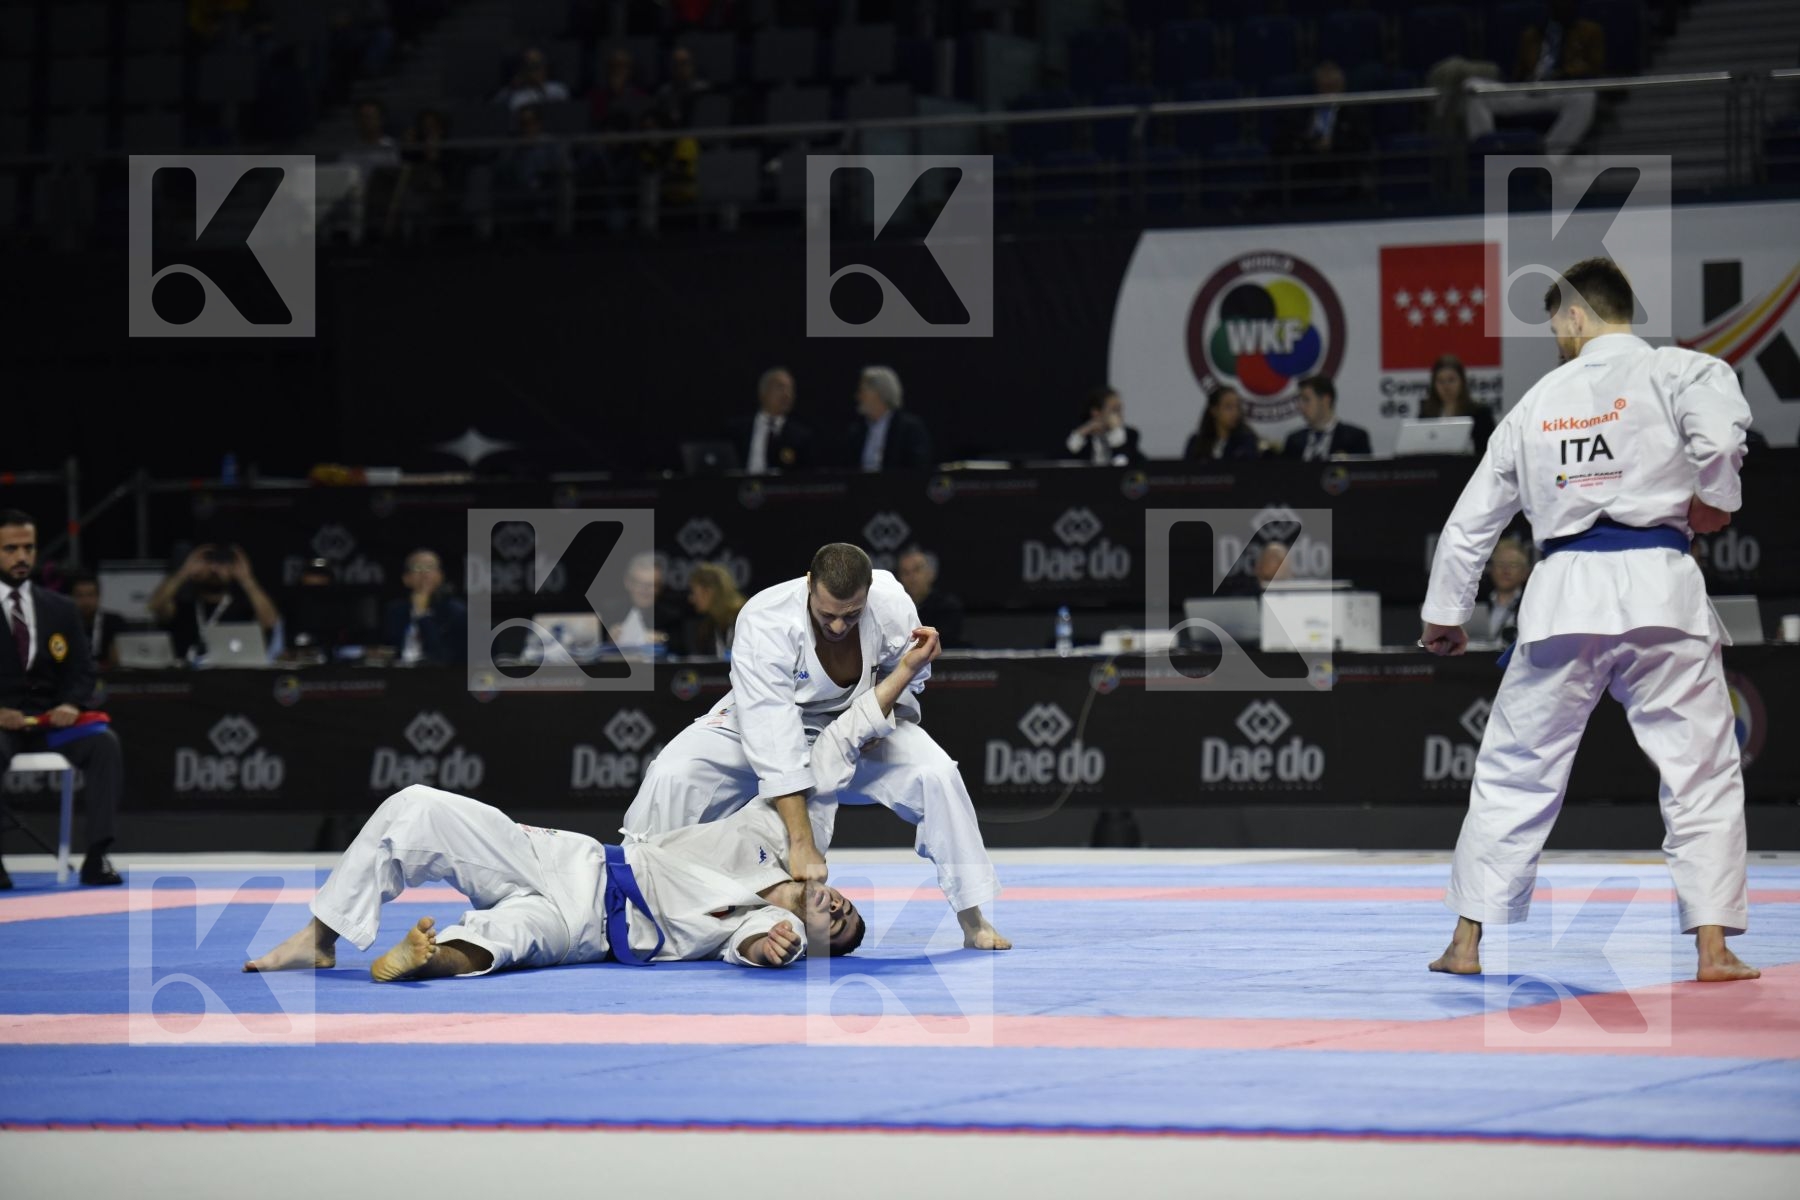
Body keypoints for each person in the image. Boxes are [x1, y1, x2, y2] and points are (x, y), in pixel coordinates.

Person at [240, 627, 950, 980]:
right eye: (847, 909)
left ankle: (423, 960)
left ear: (811, 937)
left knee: (505, 943)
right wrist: (904, 673)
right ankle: (319, 938)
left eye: (834, 927)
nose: (836, 909)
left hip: (585, 930)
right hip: (572, 860)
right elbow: (840, 744)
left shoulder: (766, 922)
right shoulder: (786, 836)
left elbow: (754, 947)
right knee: (417, 805)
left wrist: (775, 951)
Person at [1419, 256, 1759, 984]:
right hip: (1660, 590)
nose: (1558, 340)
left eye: (1556, 327)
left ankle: (1466, 944)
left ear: (1576, 314)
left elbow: (1472, 521)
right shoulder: (1681, 371)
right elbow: (1723, 440)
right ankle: (1713, 947)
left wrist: (1445, 613)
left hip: (1564, 597)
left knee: (1514, 771)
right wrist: (1716, 499)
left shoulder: (1537, 403)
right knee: (1700, 770)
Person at [623, 543, 1009, 950]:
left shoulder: (892, 603)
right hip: (762, 719)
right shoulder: (765, 618)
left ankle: (973, 919)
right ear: (809, 585)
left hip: (857, 722)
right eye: (828, 615)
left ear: (869, 592)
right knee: (674, 773)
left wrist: (888, 713)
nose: (839, 626)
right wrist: (802, 843)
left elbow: (910, 677)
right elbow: (773, 736)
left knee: (937, 774)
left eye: (851, 615)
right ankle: (629, 894)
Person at [0, 511, 124, 889]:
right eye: (10, 549)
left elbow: (83, 671)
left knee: (104, 744)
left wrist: (70, 704)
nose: (22, 556)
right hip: (2, 726)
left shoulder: (60, 608)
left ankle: (97, 856)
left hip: (50, 723)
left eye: (28, 548)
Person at [1465, 0, 1605, 156]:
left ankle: (1548, 158)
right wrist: (1527, 80)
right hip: (1529, 89)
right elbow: (1519, 73)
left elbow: (1594, 67)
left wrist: (1563, 73)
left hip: (1561, 89)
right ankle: (1487, 155)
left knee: (1586, 96)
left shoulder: (1590, 31)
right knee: (1472, 87)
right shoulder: (1532, 34)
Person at [146, 543, 282, 662]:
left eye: (222, 563)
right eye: (207, 561)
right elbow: (155, 606)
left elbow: (270, 621)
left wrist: (247, 579)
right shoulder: (184, 607)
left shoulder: (243, 608)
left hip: (231, 676)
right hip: (186, 678)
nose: (214, 568)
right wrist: (184, 572)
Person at [380, 549, 468, 665]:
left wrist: (422, 614)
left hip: (437, 674)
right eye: (417, 568)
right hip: (398, 672)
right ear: (406, 579)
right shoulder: (395, 610)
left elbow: (443, 656)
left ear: (440, 576)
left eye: (430, 568)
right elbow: (390, 649)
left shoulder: (455, 611)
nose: (424, 575)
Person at [729, 367, 815, 474]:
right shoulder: (736, 429)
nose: (787, 395)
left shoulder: (800, 437)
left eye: (790, 389)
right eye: (780, 387)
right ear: (763, 391)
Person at [845, 367, 933, 471]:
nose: (858, 396)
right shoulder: (856, 432)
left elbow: (918, 470)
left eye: (862, 391)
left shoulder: (909, 429)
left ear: (880, 393)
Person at [610, 553, 689, 655]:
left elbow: (682, 651)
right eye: (639, 583)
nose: (645, 590)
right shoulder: (610, 612)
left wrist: (662, 639)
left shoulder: (672, 617)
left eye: (652, 585)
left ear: (659, 588)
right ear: (628, 583)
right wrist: (609, 639)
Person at [1280, 376, 1373, 461]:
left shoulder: (1354, 439)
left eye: (1306, 400)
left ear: (1325, 400)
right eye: (1299, 401)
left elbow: (1362, 472)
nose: (1300, 407)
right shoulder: (1294, 441)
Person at [1421, 353, 1497, 455]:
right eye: (1440, 381)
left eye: (1451, 380)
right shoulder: (1426, 416)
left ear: (1462, 382)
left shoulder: (1481, 414)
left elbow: (1490, 453)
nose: (1446, 386)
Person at [896, 544, 965, 649]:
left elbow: (945, 641)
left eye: (917, 570)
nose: (911, 577)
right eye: (905, 572)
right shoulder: (894, 607)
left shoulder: (948, 606)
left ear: (931, 573)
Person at [1065, 386, 1146, 466]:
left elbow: (1122, 464)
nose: (1120, 415)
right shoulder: (1084, 437)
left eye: (1120, 409)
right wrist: (1081, 434)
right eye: (1115, 410)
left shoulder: (1130, 435)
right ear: (1096, 413)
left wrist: (1116, 433)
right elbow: (1066, 463)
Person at [63, 568, 123, 670]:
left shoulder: (115, 623)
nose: (86, 601)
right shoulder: (63, 624)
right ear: (70, 598)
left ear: (98, 597)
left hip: (108, 676)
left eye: (91, 595)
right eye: (79, 596)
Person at [1184, 387, 1262, 461]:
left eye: (1237, 407)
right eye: (1228, 407)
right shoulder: (1196, 443)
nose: (1235, 412)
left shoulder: (1246, 443)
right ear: (1214, 410)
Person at [687, 562, 746, 657]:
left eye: (694, 593)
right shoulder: (707, 627)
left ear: (708, 592)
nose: (691, 599)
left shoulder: (745, 619)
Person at [1481, 538, 1532, 645]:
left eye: (1513, 565)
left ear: (1525, 572)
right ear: (1491, 569)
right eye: (1500, 564)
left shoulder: (1532, 606)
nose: (1505, 570)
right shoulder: (1474, 603)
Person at [494, 46, 570, 112]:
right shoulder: (517, 96)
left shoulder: (558, 90)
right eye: (532, 66)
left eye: (539, 65)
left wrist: (541, 89)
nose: (537, 71)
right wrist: (513, 88)